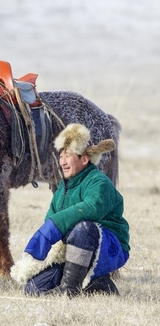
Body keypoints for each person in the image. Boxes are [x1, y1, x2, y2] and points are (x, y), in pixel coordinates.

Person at [12, 123, 130, 297]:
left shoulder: (99, 182)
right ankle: (98, 285)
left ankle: (69, 290)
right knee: (34, 289)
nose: (63, 161)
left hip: (109, 246)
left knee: (84, 228)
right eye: (61, 155)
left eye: (68, 155)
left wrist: (54, 226)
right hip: (72, 248)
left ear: (84, 159)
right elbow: (51, 220)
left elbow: (91, 208)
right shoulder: (62, 188)